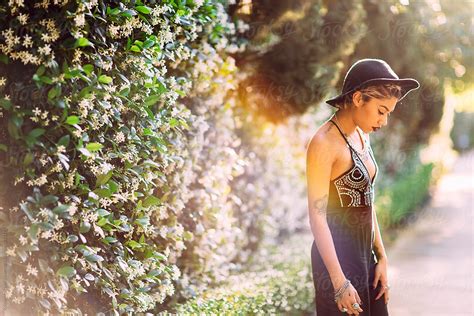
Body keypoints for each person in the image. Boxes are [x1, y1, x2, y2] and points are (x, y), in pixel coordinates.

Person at [306, 58, 420, 315]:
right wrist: (338, 282)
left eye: (388, 113)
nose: (384, 121)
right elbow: (317, 218)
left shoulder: (361, 134)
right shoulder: (324, 143)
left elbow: (367, 201)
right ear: (358, 99)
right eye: (381, 111)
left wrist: (381, 257)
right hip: (337, 261)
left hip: (365, 256)